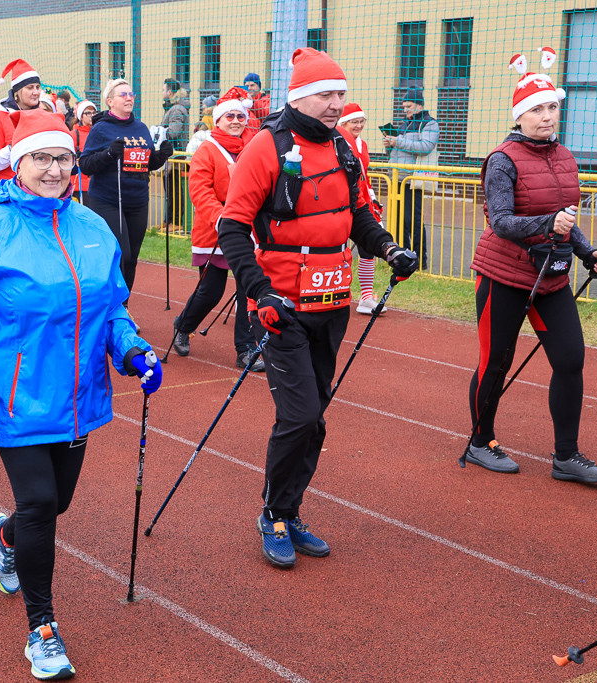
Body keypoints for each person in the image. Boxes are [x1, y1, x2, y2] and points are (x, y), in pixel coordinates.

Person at [0, 108, 162, 681]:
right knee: (40, 504)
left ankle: (5, 534)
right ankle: (43, 628)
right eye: (41, 157)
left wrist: (132, 350)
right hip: (12, 398)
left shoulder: (92, 228)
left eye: (63, 157)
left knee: (55, 504)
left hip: (80, 395)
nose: (55, 168)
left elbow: (111, 306)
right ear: (17, 163)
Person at [218, 48, 419, 569]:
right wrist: (259, 292)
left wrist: (388, 248)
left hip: (333, 302)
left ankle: (290, 509)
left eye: (340, 94)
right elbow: (233, 228)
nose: (336, 104)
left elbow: (357, 217)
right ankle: (274, 516)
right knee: (301, 415)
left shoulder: (345, 149)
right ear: (299, 96)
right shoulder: (266, 148)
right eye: (327, 94)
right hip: (281, 307)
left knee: (316, 419)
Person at [464, 50, 597, 483]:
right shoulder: (501, 159)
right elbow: (502, 220)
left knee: (570, 361)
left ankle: (566, 457)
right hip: (503, 276)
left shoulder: (565, 156)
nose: (546, 116)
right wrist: (551, 223)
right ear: (519, 115)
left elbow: (566, 216)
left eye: (551, 107)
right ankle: (480, 441)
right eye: (535, 109)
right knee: (495, 363)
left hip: (551, 277)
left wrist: (587, 252)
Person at [172, 88, 263, 371]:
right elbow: (200, 191)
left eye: (240, 116)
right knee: (211, 291)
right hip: (216, 230)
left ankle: (246, 349)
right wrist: (222, 218)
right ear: (218, 120)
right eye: (230, 116)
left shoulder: (252, 148)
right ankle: (183, 325)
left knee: (249, 289)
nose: (236, 120)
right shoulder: (207, 150)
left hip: (248, 231)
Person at [80, 78, 173, 296]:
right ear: (110, 101)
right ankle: (109, 303)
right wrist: (109, 154)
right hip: (109, 200)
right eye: (124, 95)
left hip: (138, 200)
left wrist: (161, 156)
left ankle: (124, 307)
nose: (129, 98)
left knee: (133, 258)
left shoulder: (140, 127)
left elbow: (146, 164)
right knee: (122, 255)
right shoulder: (101, 129)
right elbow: (85, 165)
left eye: (131, 94)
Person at [336, 102, 384, 314]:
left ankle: (365, 297)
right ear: (343, 123)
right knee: (338, 249)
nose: (358, 125)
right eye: (354, 122)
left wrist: (371, 197)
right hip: (340, 200)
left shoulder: (362, 145)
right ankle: (337, 292)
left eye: (361, 121)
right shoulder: (336, 141)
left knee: (368, 248)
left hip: (362, 200)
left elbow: (364, 175)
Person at [383, 87, 438, 269]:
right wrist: (389, 145)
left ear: (419, 105)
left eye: (409, 106)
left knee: (412, 220)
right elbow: (400, 150)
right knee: (398, 220)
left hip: (412, 180)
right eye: (404, 106)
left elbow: (426, 146)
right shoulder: (403, 124)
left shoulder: (429, 123)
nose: (405, 110)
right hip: (397, 178)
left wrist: (397, 141)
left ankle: (420, 261)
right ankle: (403, 258)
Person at [0, 60, 42, 185]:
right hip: (6, 191)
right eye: (30, 88)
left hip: (36, 190)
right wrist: (14, 148)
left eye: (37, 87)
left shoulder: (43, 116)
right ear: (17, 93)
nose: (36, 92)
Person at [160, 79, 191, 231]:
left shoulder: (177, 109)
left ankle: (176, 222)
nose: (163, 93)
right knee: (169, 190)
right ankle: (168, 220)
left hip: (176, 156)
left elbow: (174, 131)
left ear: (170, 93)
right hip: (171, 156)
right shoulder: (172, 108)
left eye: (164, 90)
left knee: (175, 191)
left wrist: (160, 132)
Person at [70, 99, 95, 203]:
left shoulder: (99, 132)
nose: (92, 115)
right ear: (81, 116)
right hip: (79, 186)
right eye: (88, 113)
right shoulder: (74, 134)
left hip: (96, 185)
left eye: (94, 112)